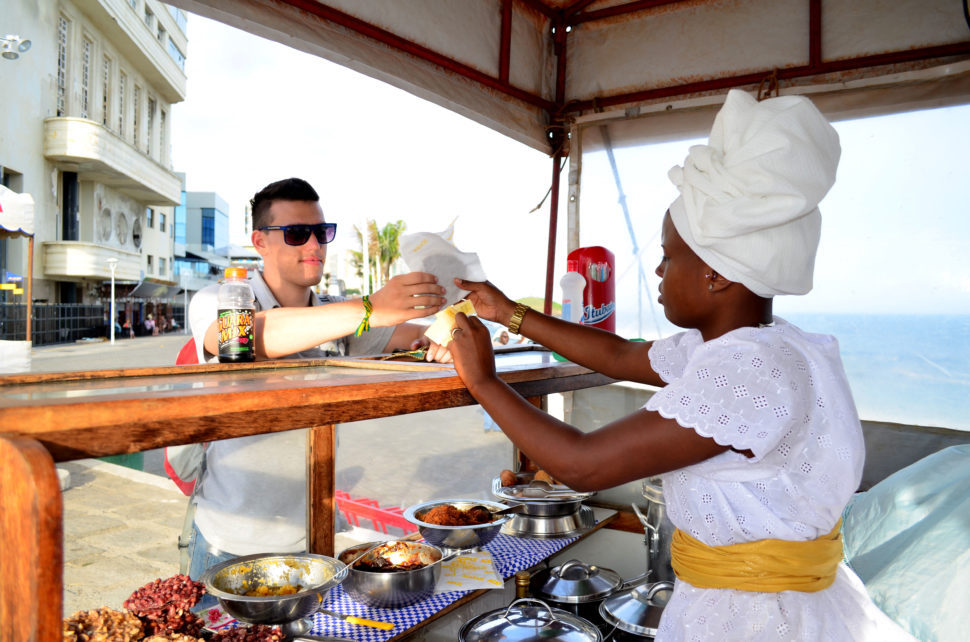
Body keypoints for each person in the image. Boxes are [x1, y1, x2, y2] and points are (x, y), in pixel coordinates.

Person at [448, 90, 913, 640]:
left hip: (755, 618)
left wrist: (484, 379)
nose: (659, 270)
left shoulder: (749, 372)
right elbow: (618, 354)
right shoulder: (754, 346)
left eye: (669, 255)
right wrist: (511, 313)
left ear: (716, 272)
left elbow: (585, 466)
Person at [184, 177, 451, 583]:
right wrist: (369, 307)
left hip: (316, 536)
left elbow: (412, 336)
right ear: (260, 241)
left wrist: (447, 328)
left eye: (322, 233)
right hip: (232, 540)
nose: (314, 246)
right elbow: (241, 337)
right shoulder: (221, 299)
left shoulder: (335, 315)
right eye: (296, 233)